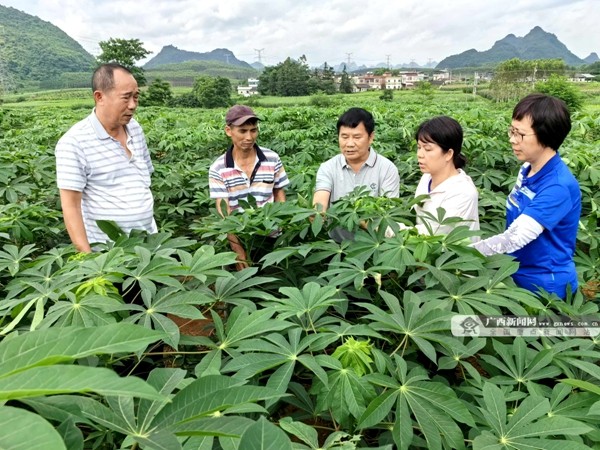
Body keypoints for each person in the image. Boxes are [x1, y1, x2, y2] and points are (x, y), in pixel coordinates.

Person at [472, 93, 581, 299]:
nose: (512, 140)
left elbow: (515, 238)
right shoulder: (527, 168)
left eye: (520, 134)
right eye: (511, 131)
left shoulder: (558, 186)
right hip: (515, 274)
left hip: (545, 289)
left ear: (546, 135)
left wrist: (463, 253)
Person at [55, 63, 157, 253]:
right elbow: (70, 207)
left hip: (148, 246)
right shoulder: (74, 142)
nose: (133, 105)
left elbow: (144, 181)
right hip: (109, 255)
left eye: (136, 97)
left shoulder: (135, 128)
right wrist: (90, 262)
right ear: (99, 97)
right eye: (126, 98)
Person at [209, 105, 289, 268]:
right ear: (228, 131)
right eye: (243, 131)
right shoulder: (218, 168)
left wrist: (281, 227)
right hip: (240, 237)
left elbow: (279, 192)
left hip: (271, 235)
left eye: (253, 130)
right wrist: (239, 254)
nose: (249, 137)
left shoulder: (272, 158)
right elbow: (225, 213)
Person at [312, 107, 400, 242]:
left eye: (357, 137)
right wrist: (318, 212)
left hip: (376, 247)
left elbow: (388, 214)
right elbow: (320, 198)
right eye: (344, 137)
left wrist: (354, 216)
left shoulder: (387, 169)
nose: (350, 144)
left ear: (371, 137)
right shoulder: (328, 167)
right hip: (338, 246)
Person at [408, 115, 479, 235]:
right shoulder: (427, 177)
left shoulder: (463, 193)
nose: (420, 154)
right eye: (419, 147)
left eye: (428, 149)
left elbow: (431, 235)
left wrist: (386, 229)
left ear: (448, 154)